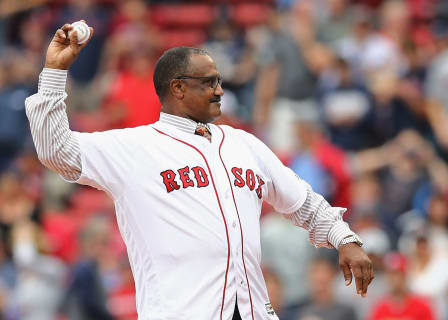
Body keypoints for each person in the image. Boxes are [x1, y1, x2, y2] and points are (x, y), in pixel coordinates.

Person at [25, 22, 374, 320]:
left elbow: (303, 201)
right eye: (208, 82)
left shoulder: (243, 144)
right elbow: (56, 150)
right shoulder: (135, 147)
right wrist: (55, 73)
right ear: (177, 87)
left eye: (218, 80)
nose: (219, 90)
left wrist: (345, 237)